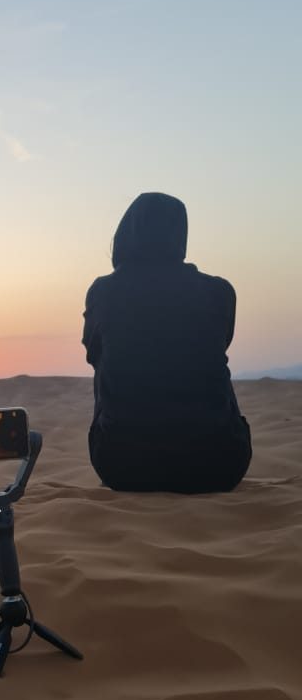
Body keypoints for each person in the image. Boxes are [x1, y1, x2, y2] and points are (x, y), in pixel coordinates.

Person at [82, 193, 252, 493]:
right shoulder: (219, 291)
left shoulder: (103, 292)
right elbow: (219, 344)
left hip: (122, 467)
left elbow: (94, 354)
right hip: (221, 464)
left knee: (109, 359)